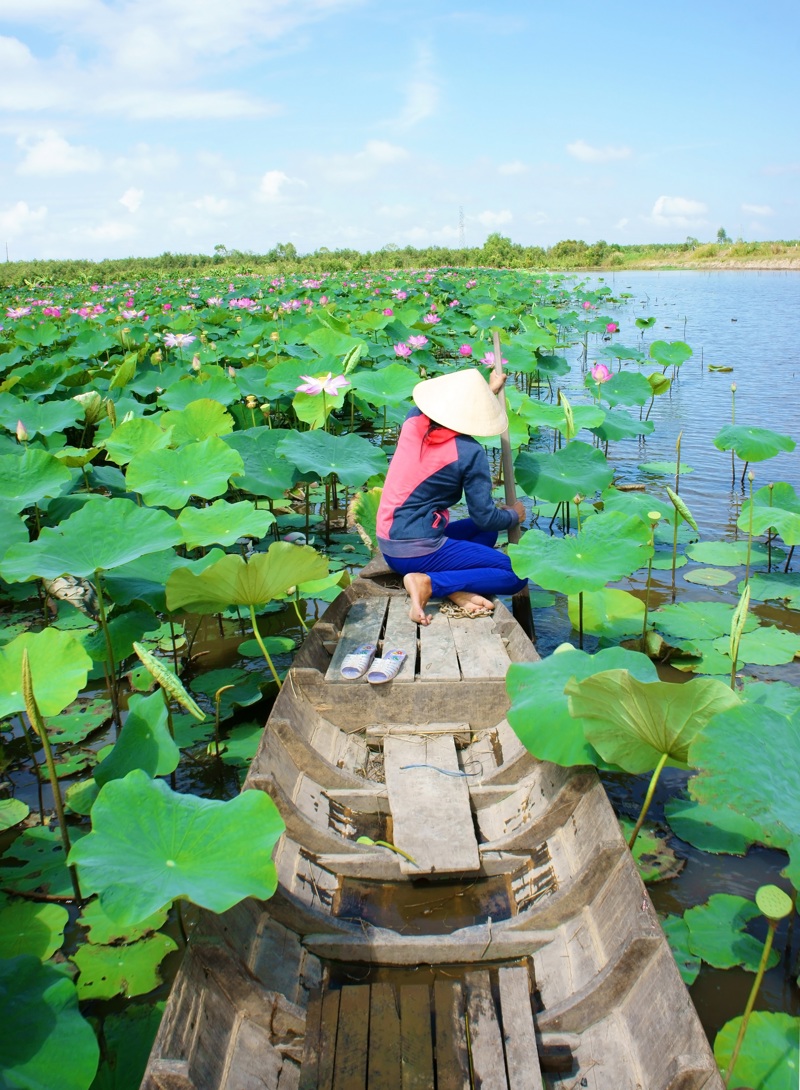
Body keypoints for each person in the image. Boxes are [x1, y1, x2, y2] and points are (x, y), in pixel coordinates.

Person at [377, 367, 527, 626]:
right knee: (517, 574)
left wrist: (488, 392)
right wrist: (514, 515)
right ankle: (430, 583)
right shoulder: (468, 452)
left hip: (390, 543)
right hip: (417, 550)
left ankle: (454, 588)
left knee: (487, 536)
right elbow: (484, 517)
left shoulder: (413, 419)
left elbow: (484, 528)